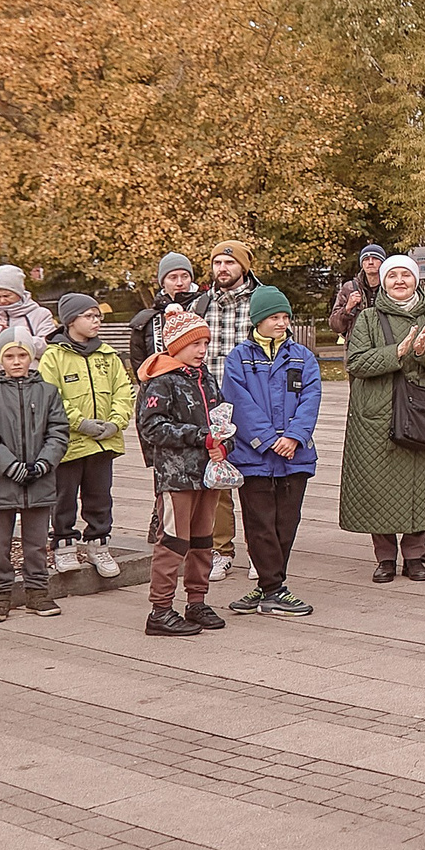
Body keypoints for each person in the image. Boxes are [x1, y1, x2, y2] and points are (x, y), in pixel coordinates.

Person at [338, 254, 425, 581]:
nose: (399, 281)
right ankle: (385, 558)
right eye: (393, 276)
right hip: (376, 416)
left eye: (406, 275)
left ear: (416, 280)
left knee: (423, 485)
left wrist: (424, 351)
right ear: (385, 281)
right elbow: (357, 363)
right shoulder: (367, 318)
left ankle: (415, 557)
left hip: (422, 412)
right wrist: (398, 352)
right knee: (378, 488)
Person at [222, 285, 322, 616]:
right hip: (254, 457)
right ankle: (273, 588)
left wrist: (294, 436)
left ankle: (269, 587)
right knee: (259, 522)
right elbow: (238, 402)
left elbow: (311, 398)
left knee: (286, 522)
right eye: (274, 317)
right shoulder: (239, 357)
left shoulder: (303, 356)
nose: (281, 323)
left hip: (295, 456)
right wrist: (267, 439)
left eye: (285, 317)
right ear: (258, 320)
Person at [135, 309, 230, 634]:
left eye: (205, 342)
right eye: (194, 343)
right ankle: (160, 611)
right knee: (174, 542)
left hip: (207, 473)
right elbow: (152, 427)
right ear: (175, 346)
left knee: (203, 540)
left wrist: (222, 443)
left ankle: (196, 602)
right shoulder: (162, 382)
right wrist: (198, 436)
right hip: (176, 476)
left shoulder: (206, 377)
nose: (202, 349)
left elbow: (218, 419)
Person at [0, 330, 67, 624]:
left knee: (36, 542)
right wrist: (10, 466)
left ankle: (37, 590)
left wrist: (43, 464)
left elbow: (58, 432)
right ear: (0, 360)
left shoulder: (47, 392)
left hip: (39, 479)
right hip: (0, 482)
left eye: (22, 355)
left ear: (31, 357)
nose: (17, 361)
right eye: (9, 356)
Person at [39, 293, 131, 581]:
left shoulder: (108, 355)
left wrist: (116, 423)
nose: (97, 321)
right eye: (90, 316)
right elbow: (50, 397)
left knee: (100, 497)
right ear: (71, 320)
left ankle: (98, 544)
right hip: (69, 444)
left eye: (98, 316)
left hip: (103, 443)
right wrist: (81, 423)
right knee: (64, 497)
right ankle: (64, 545)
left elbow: (124, 391)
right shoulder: (54, 357)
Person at [192, 242, 263, 575]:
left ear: (244, 267)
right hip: (212, 401)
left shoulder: (260, 300)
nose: (222, 268)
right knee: (217, 476)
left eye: (229, 262)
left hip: (252, 400)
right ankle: (221, 549)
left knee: (254, 478)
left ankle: (258, 550)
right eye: (217, 262)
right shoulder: (201, 304)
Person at [0, 264, 57, 387]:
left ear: (19, 293)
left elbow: (50, 350)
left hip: (32, 380)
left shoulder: (40, 314)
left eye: (7, 296)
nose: (2, 301)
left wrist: (16, 335)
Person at [128, 253, 200, 371]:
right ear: (163, 282)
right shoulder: (147, 320)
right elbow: (138, 361)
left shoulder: (204, 309)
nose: (179, 283)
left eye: (185, 276)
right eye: (173, 277)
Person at [326, 243, 386, 338]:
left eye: (375, 258)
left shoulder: (390, 287)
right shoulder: (349, 288)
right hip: (357, 347)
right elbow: (335, 326)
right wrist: (347, 309)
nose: (370, 262)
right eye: (366, 259)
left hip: (385, 345)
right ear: (362, 264)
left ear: (383, 262)